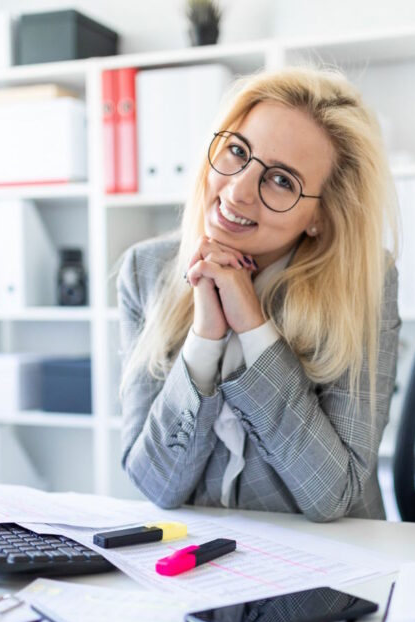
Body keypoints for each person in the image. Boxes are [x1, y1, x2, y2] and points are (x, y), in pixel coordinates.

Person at [117, 66, 400, 522]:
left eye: (282, 180)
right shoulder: (145, 271)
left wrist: (253, 327)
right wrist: (205, 339)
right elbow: (155, 484)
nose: (238, 190)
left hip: (327, 572)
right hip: (206, 571)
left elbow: (332, 496)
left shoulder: (363, 283)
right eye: (236, 151)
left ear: (320, 217)